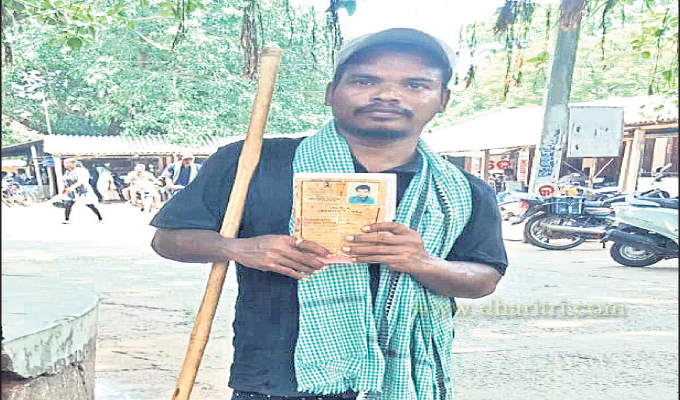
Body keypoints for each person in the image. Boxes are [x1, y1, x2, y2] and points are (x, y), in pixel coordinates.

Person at [151, 28, 507, 400]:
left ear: (443, 99)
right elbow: (168, 239)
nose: (387, 94)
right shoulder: (254, 161)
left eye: (415, 85)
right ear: (330, 93)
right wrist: (237, 248)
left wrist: (422, 262)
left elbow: (484, 279)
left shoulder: (460, 191)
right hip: (276, 383)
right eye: (365, 81)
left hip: (405, 382)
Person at [61, 157, 103, 224]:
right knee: (68, 204)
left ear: (74, 164)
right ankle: (66, 219)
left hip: (83, 190)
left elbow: (81, 181)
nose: (65, 164)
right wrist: (65, 189)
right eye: (65, 163)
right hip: (71, 191)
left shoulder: (81, 171)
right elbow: (66, 181)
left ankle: (100, 218)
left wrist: (72, 187)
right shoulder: (67, 172)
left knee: (89, 204)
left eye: (67, 163)